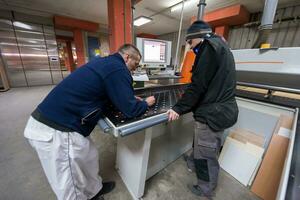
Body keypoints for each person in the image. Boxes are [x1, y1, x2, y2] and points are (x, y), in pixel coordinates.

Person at [24, 44, 155, 200]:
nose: (135, 68)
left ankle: (94, 191)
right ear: (127, 57)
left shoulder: (105, 63)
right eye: (136, 63)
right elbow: (131, 110)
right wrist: (145, 103)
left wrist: (128, 98)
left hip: (66, 121)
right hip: (57, 128)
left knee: (88, 157)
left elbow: (107, 89)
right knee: (70, 183)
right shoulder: (119, 69)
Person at [167, 20, 238, 197]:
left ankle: (205, 188)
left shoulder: (209, 48)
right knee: (201, 143)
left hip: (212, 113)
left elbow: (198, 85)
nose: (190, 48)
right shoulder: (221, 46)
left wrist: (178, 108)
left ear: (199, 37)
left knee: (206, 154)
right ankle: (192, 161)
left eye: (190, 43)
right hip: (221, 109)